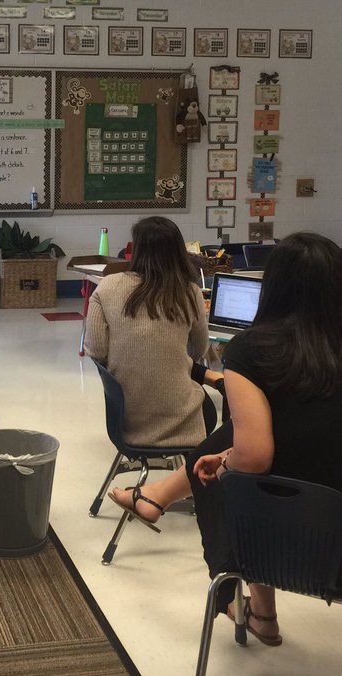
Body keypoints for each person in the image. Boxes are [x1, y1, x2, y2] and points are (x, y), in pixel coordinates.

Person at [115, 233, 342, 646]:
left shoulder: (253, 350)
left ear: (274, 286)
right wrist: (232, 454)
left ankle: (257, 609)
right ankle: (161, 501)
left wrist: (226, 461)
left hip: (283, 551)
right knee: (233, 445)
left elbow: (256, 457)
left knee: (218, 471)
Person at [84, 216, 222, 520]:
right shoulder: (189, 292)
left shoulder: (107, 289)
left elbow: (95, 350)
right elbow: (199, 350)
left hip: (126, 421)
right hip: (181, 419)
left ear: (137, 250)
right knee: (212, 412)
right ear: (177, 251)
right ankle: (187, 483)